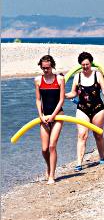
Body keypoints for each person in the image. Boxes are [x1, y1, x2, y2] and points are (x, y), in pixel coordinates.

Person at [65, 52, 104, 172]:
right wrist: (64, 95)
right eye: (83, 65)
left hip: (97, 108)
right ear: (80, 65)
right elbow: (73, 93)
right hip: (82, 108)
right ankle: (79, 163)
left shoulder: (97, 75)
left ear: (91, 63)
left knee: (98, 134)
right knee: (82, 135)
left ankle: (102, 157)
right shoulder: (77, 76)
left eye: (87, 64)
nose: (85, 67)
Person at [34, 55, 65, 184]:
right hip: (44, 117)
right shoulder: (37, 80)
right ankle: (49, 166)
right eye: (43, 68)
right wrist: (41, 115)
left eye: (48, 67)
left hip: (58, 116)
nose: (46, 70)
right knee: (44, 149)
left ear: (52, 65)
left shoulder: (60, 79)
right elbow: (37, 100)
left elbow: (62, 99)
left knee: (52, 146)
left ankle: (52, 175)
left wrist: (53, 116)